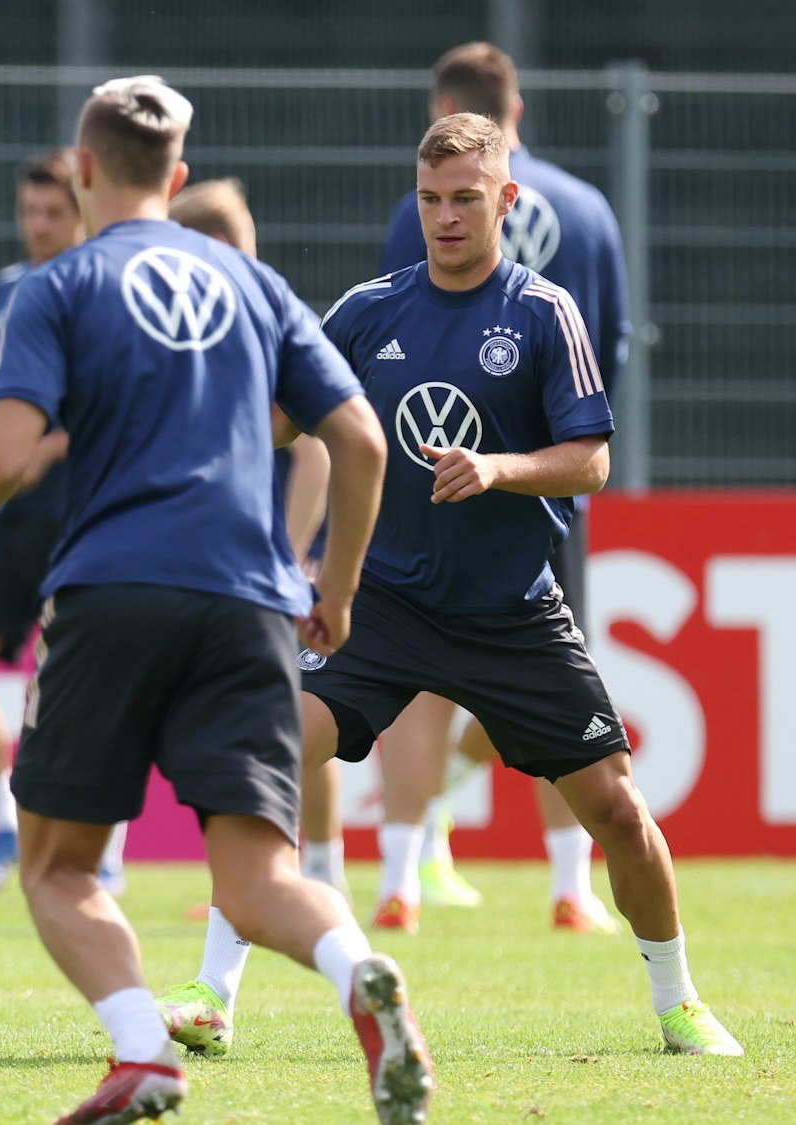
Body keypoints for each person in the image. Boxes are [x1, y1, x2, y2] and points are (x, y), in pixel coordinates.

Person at [0, 76, 430, 1124]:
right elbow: (361, 440)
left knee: (57, 867)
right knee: (257, 879)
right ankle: (354, 968)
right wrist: (334, 589)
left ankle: (142, 1051)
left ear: (82, 170)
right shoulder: (254, 285)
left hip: (112, 591)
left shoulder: (58, 285)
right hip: (248, 604)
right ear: (176, 175)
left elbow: (3, 452)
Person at [166, 112, 741, 1062]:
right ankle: (212, 994)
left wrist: (499, 468)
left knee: (618, 811)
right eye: (430, 199)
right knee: (262, 757)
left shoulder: (545, 312)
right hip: (385, 606)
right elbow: (281, 420)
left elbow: (592, 459)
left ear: (506, 199)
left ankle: (679, 1002)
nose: (445, 217)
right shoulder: (368, 310)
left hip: (512, 612)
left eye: (466, 198)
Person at [364, 41, 633, 932]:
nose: (446, 213)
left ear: (446, 111)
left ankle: (402, 872)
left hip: (428, 465)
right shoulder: (590, 209)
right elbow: (613, 345)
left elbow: (401, 333)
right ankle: (570, 885)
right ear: (517, 105)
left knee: (421, 680)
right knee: (557, 669)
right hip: (550, 482)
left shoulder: (421, 205)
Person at [0, 151, 132, 896]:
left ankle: (103, 845)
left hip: (85, 511)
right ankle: (3, 825)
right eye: (29, 212)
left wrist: (49, 448)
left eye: (54, 213)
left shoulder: (107, 287)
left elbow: (120, 400)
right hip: (13, 515)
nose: (39, 226)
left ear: (83, 214)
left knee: (80, 680)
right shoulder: (11, 288)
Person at [168, 177, 352, 909]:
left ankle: (315, 877)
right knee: (277, 712)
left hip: (278, 555)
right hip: (251, 553)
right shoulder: (231, 317)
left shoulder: (264, 319)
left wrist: (292, 553)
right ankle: (292, 876)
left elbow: (318, 449)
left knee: (291, 708)